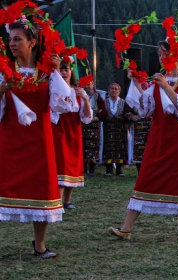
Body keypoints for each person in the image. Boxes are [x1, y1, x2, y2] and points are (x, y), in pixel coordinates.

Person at [108, 40, 178, 239]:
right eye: (159, 53)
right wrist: (135, 82)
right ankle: (126, 229)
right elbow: (145, 109)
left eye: (164, 53)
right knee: (146, 177)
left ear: (177, 56)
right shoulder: (157, 81)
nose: (161, 57)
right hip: (159, 139)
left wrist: (166, 87)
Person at [0, 21, 72, 258]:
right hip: (9, 139)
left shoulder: (47, 73)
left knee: (43, 190)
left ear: (32, 43)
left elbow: (64, 104)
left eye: (17, 39)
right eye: (10, 39)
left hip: (40, 142)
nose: (12, 43)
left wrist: (60, 71)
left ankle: (40, 245)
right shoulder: (4, 70)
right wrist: (2, 89)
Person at [51, 58, 92, 210]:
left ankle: (67, 201)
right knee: (60, 165)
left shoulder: (77, 92)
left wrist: (85, 99)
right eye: (60, 69)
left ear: (71, 72)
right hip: (58, 132)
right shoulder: (53, 90)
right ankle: (57, 201)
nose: (63, 72)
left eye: (66, 69)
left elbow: (87, 118)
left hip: (73, 133)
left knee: (72, 166)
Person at [102, 82, 130, 176]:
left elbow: (127, 113)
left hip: (120, 128)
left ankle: (119, 169)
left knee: (120, 148)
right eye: (112, 89)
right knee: (108, 148)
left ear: (119, 91)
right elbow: (101, 113)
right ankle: (108, 170)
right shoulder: (104, 101)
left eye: (116, 89)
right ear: (109, 90)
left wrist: (128, 116)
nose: (114, 90)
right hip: (108, 127)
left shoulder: (123, 102)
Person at [82, 81, 106, 176]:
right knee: (82, 147)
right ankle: (83, 169)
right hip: (82, 124)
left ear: (92, 85)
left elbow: (103, 111)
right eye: (85, 84)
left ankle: (92, 170)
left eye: (89, 84)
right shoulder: (80, 95)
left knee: (93, 147)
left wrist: (95, 118)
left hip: (93, 125)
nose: (87, 86)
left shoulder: (97, 97)